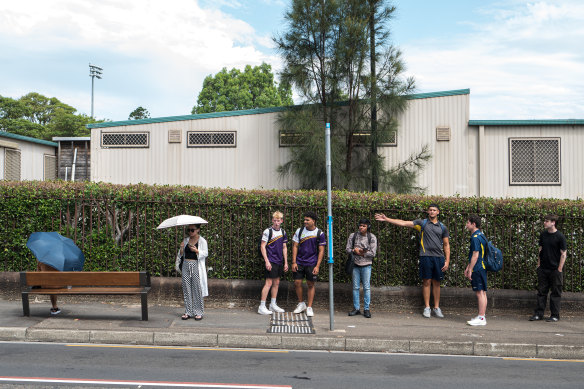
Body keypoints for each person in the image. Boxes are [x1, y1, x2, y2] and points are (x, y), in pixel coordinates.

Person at [375, 204, 450, 318]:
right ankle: (427, 307)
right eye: (430, 210)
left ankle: (436, 307)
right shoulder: (422, 223)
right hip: (425, 257)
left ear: (438, 212)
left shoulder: (443, 227)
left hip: (439, 258)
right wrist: (387, 219)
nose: (432, 212)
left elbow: (446, 245)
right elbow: (404, 222)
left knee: (437, 283)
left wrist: (447, 261)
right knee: (426, 282)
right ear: (428, 211)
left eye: (434, 210)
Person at [529, 214, 567, 322]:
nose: (544, 223)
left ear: (553, 222)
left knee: (555, 293)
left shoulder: (560, 236)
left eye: (547, 221)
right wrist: (538, 264)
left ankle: (555, 315)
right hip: (543, 269)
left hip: (555, 269)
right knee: (541, 292)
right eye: (545, 221)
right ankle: (538, 314)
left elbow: (563, 253)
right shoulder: (543, 235)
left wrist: (559, 269)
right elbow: (540, 249)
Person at [292, 211, 326, 317]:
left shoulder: (319, 233)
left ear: (313, 221)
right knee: (297, 282)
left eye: (307, 220)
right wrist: (293, 262)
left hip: (311, 263)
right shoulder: (299, 230)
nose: (305, 221)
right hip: (299, 262)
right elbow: (295, 246)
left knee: (310, 284)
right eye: (304, 219)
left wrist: (317, 266)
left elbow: (321, 251)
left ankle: (309, 307)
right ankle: (301, 304)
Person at [175, 224, 209, 321]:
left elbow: (205, 253)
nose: (190, 232)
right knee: (186, 288)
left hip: (196, 266)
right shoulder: (186, 240)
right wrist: (181, 248)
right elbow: (181, 255)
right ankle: (188, 311)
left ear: (198, 230)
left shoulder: (202, 241)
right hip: (186, 265)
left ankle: (198, 312)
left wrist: (197, 251)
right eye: (188, 230)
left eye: (192, 230)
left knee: (197, 289)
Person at [258, 211, 289, 315]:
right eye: (275, 220)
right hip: (271, 261)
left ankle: (272, 304)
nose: (276, 222)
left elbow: (284, 247)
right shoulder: (267, 231)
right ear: (272, 220)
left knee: (276, 283)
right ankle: (261, 306)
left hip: (279, 261)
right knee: (269, 283)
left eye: (278, 220)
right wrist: (267, 261)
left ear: (282, 221)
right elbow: (262, 246)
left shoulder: (283, 232)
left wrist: (286, 262)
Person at [346, 218, 377, 318]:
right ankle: (356, 308)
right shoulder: (353, 235)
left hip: (367, 265)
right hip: (355, 264)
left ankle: (366, 309)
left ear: (368, 227)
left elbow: (373, 253)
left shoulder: (372, 237)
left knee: (367, 288)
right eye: (360, 225)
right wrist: (354, 251)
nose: (361, 227)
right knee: (355, 287)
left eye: (363, 226)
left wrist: (362, 253)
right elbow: (347, 249)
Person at [464, 214, 488, 326]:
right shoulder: (481, 235)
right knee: (482, 292)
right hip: (482, 267)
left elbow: (475, 255)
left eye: (468, 223)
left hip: (478, 268)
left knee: (479, 292)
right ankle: (482, 316)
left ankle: (481, 318)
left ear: (473, 224)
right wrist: (468, 267)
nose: (466, 225)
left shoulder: (475, 238)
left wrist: (470, 269)